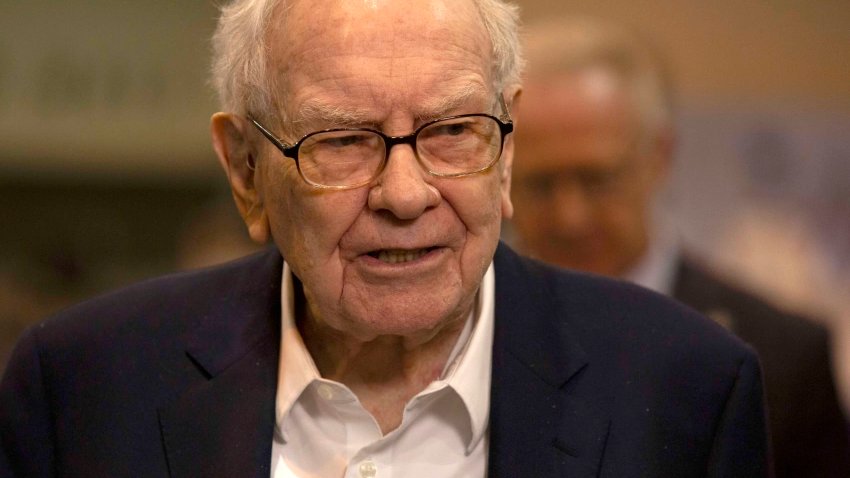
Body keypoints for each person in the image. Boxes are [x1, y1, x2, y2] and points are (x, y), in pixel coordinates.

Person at [0, 1, 770, 476]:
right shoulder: (83, 387)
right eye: (341, 140)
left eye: (454, 130)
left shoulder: (686, 392)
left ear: (506, 152)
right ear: (244, 169)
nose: (405, 194)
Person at [510, 18, 850, 477]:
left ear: (660, 156)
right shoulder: (469, 335)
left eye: (597, 180)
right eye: (541, 184)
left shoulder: (780, 357)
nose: (571, 216)